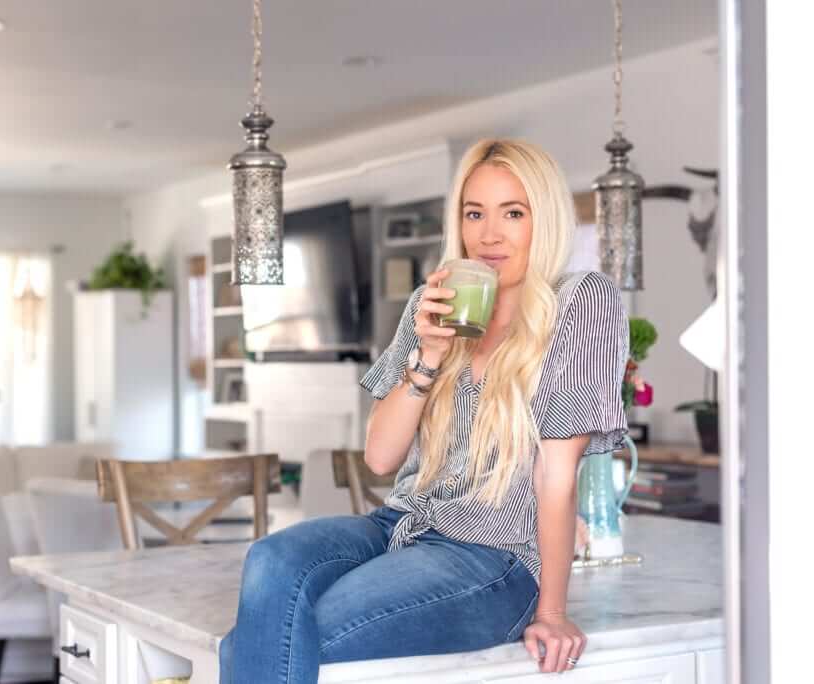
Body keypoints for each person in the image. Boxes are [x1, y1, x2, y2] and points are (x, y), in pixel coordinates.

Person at [219, 138, 629, 683]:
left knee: (281, 637)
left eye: (513, 213)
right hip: (400, 526)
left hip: (492, 558)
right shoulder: (430, 303)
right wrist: (428, 356)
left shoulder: (580, 301)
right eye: (473, 213)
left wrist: (551, 612)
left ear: (545, 219)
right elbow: (381, 457)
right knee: (271, 559)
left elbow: (556, 478)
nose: (489, 234)